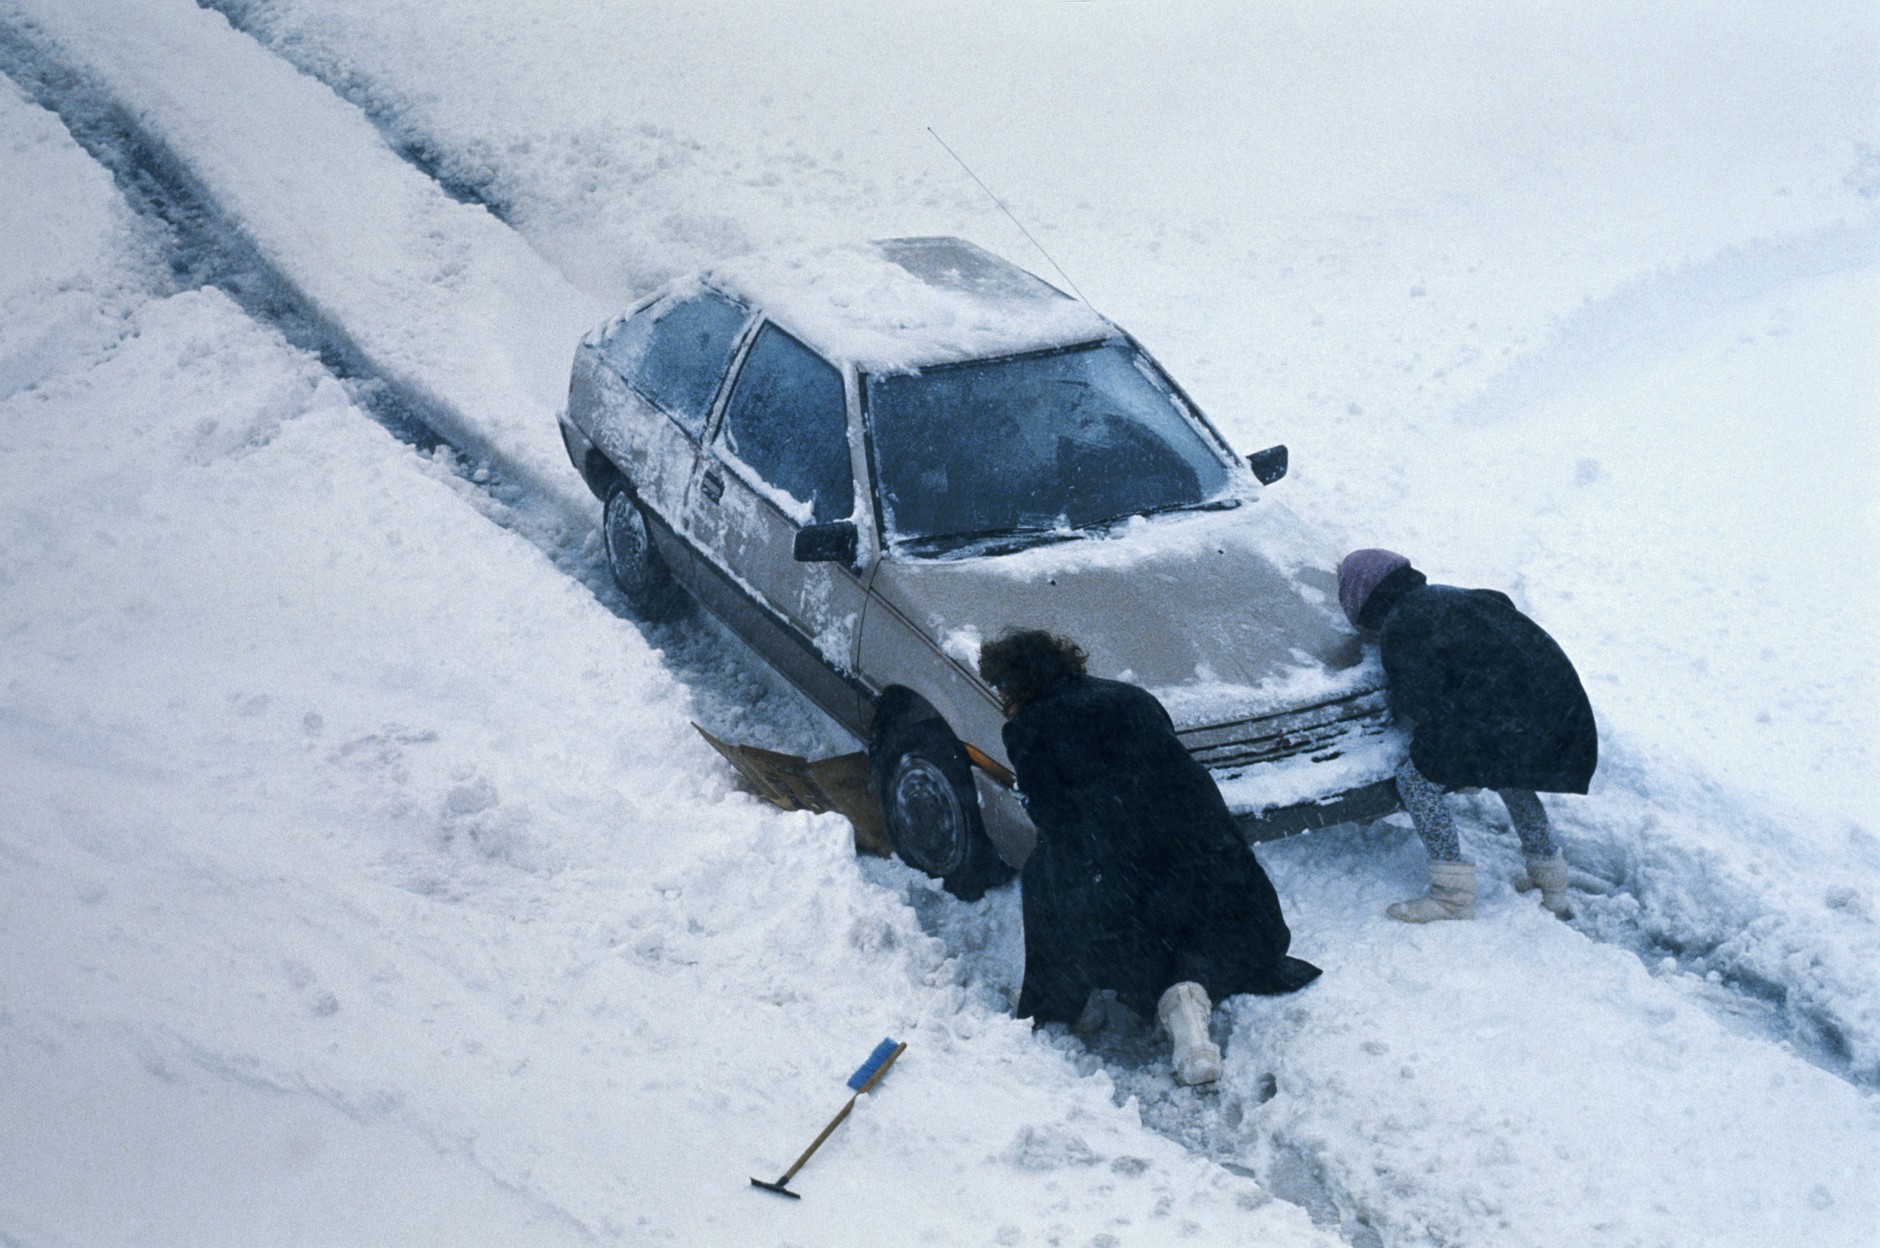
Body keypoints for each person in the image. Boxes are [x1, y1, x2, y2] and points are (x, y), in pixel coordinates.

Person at [977, 629, 1321, 1085]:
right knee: (1192, 915)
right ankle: (1188, 1001)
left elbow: (1053, 814)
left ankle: (1072, 1002)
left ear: (1017, 684)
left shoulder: (1027, 727)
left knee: (1045, 877)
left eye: (1001, 686)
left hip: (1120, 852)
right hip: (1200, 835)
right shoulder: (1130, 696)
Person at [1336, 549, 1598, 923]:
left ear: (1360, 596)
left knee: (1416, 781)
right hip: (1555, 707)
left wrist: (1444, 759)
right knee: (1514, 778)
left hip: (1505, 716)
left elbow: (1421, 705)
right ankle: (1551, 885)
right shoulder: (1447, 594)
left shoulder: (1403, 626)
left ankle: (1451, 896)